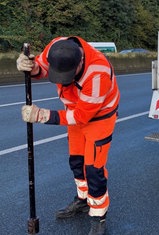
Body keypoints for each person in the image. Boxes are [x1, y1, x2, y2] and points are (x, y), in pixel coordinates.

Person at [16, 36, 120, 235]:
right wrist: (33, 67)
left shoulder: (97, 72)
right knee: (76, 160)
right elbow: (42, 66)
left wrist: (43, 115)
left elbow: (82, 116)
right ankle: (82, 199)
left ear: (80, 62)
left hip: (99, 117)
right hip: (73, 111)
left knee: (94, 169)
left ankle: (98, 214)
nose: (63, 82)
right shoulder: (56, 48)